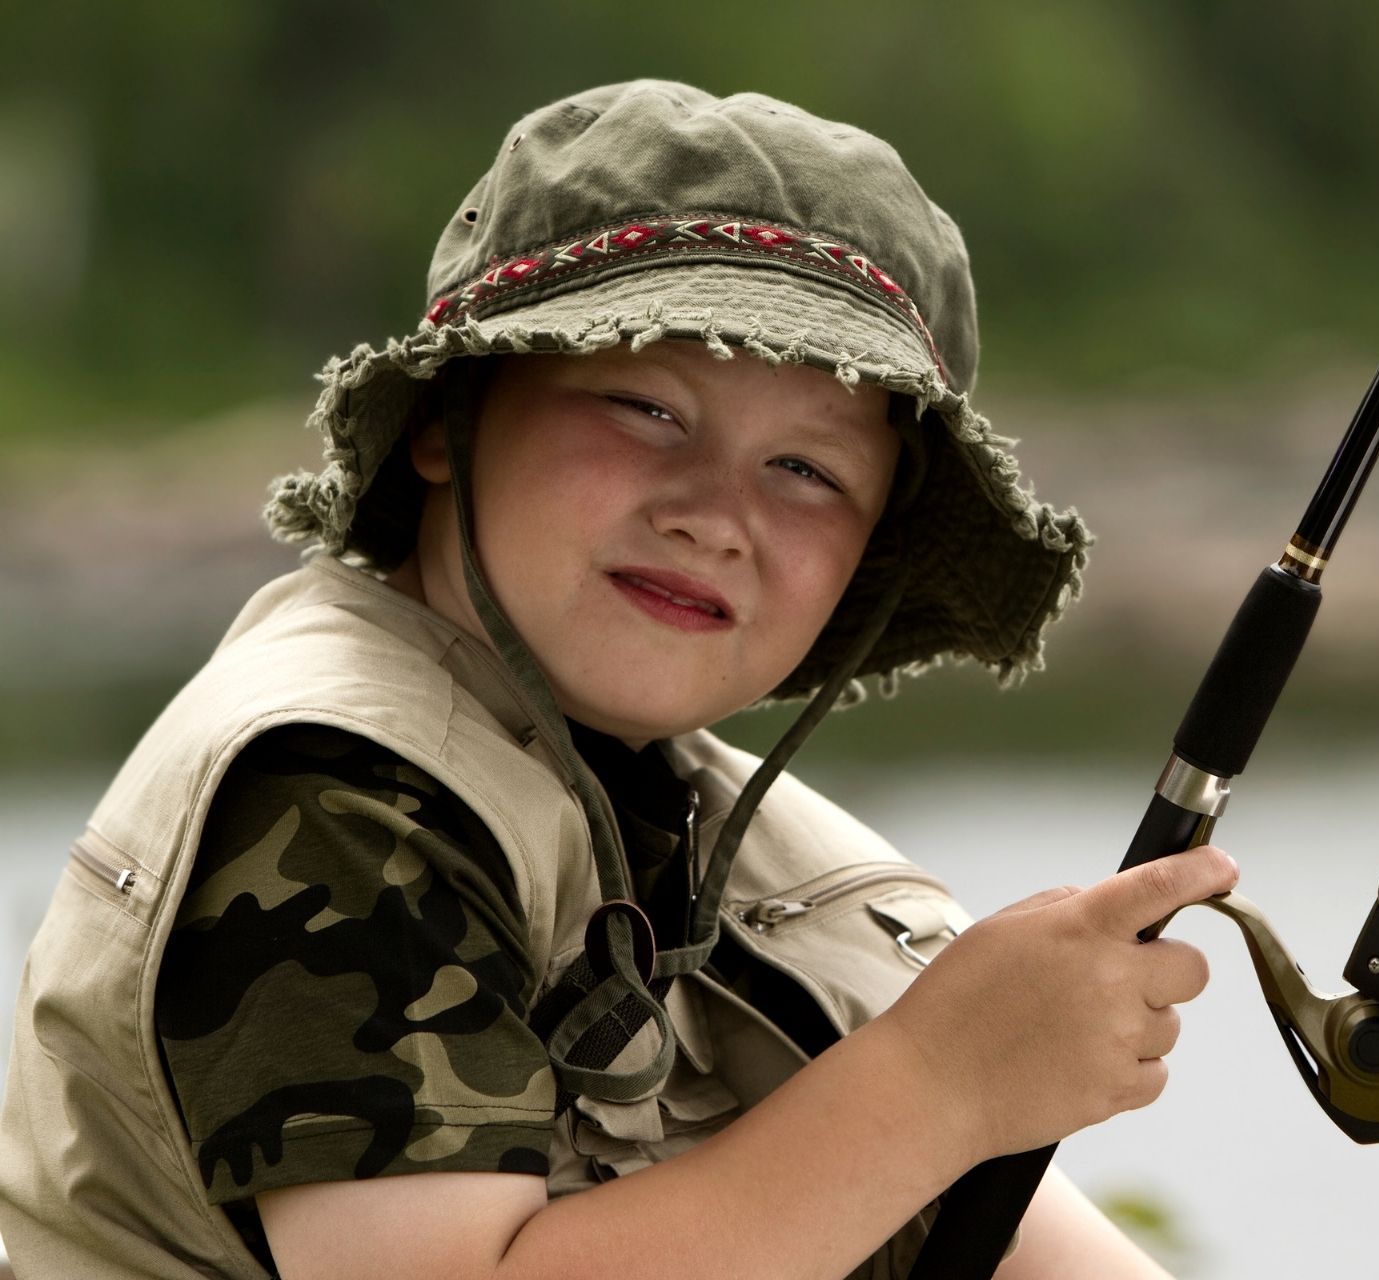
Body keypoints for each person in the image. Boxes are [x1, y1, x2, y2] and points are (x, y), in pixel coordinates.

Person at [0, 80, 1236, 1279]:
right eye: (645, 406)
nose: (717, 515)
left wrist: (984, 1068)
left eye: (808, 470)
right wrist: (940, 1082)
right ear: (448, 421)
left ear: (871, 552)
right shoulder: (336, 793)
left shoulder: (719, 826)